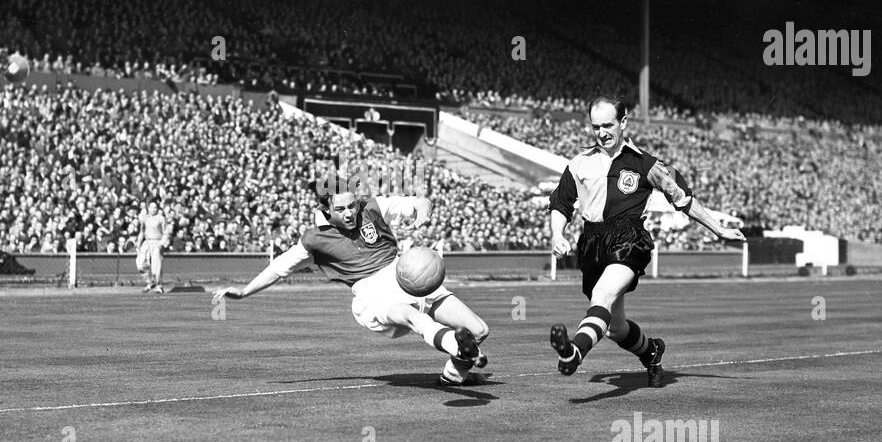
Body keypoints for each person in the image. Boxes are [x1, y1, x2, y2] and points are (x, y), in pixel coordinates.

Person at [548, 95, 746, 385]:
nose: (601, 132)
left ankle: (573, 352)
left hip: (629, 239)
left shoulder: (646, 164)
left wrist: (718, 229)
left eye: (608, 125)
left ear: (623, 122)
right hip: (592, 244)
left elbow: (683, 199)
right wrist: (557, 234)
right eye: (595, 126)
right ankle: (652, 351)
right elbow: (560, 203)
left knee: (602, 295)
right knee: (615, 328)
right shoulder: (578, 164)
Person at [212, 189, 490, 386]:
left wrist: (423, 211)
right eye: (340, 209)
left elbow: (419, 202)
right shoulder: (314, 240)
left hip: (405, 271)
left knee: (479, 330)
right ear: (326, 210)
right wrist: (245, 291)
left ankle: (453, 375)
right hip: (372, 291)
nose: (349, 213)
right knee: (411, 316)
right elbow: (278, 269)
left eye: (351, 206)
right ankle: (456, 343)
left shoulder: (373, 207)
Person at [136, 200, 169, 293]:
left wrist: (161, 243)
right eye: (151, 207)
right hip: (147, 242)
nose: (153, 209)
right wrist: (138, 243)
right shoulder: (145, 218)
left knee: (156, 266)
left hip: (157, 242)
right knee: (141, 263)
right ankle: (150, 282)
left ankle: (159, 285)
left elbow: (166, 232)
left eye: (155, 207)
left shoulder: (161, 218)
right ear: (148, 208)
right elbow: (141, 232)